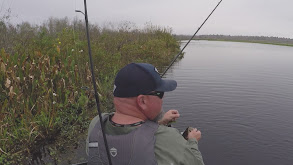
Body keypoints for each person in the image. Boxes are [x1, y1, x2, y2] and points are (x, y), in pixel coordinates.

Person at [86, 63, 204, 165]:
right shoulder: (168, 138)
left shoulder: (96, 123)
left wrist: (160, 122)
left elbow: (128, 129)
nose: (164, 97)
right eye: (160, 93)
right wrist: (192, 141)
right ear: (142, 101)